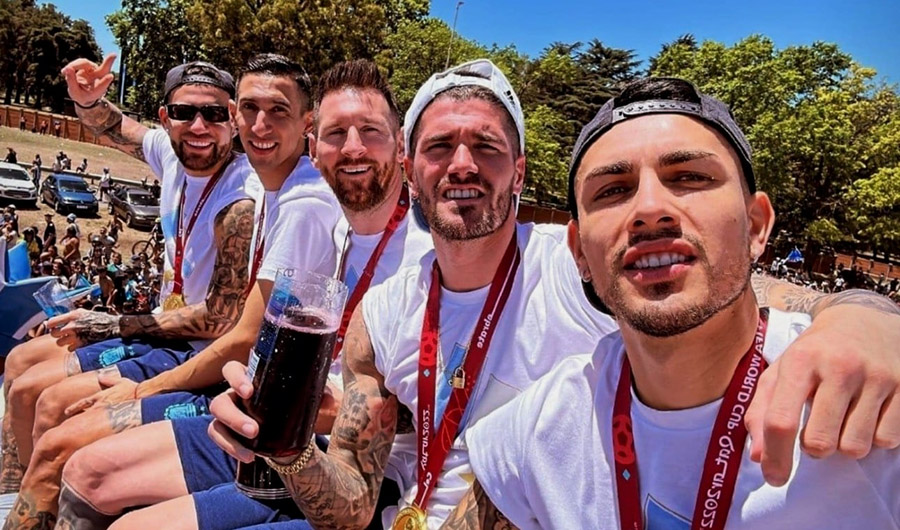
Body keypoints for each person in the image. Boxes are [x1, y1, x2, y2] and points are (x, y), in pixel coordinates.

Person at [208, 60, 900, 529]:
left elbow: (739, 285)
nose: (462, 164)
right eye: (440, 147)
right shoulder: (390, 322)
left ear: (519, 173)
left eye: (487, 146)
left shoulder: (569, 271)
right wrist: (289, 450)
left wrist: (862, 315)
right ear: (410, 171)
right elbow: (354, 505)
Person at [454, 77, 900, 529]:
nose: (649, 208)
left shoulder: (873, 403)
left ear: (755, 226)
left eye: (690, 177)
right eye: (612, 190)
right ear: (580, 252)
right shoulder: (539, 431)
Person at [56, 58, 434, 530]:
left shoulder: (421, 251)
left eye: (371, 131)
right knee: (87, 471)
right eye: (337, 133)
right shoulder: (337, 230)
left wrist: (329, 412)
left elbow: (439, 404)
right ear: (316, 145)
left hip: (369, 471)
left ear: (401, 144)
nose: (353, 147)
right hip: (283, 431)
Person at [0, 56, 256, 520]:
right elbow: (115, 126)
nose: (199, 126)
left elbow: (219, 320)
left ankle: (39, 500)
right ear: (166, 117)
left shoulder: (241, 198)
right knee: (19, 365)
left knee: (50, 401)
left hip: (196, 348)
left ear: (234, 119)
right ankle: (14, 494)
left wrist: (110, 323)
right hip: (161, 327)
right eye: (184, 112)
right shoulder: (170, 153)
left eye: (215, 113)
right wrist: (87, 101)